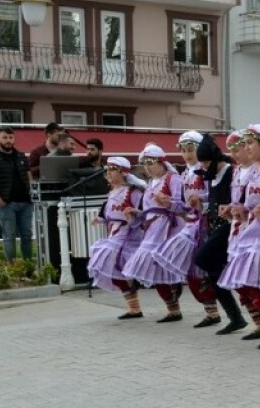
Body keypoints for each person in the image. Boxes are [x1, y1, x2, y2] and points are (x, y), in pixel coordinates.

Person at [218, 125, 260, 349]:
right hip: (250, 231)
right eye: (244, 143)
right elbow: (248, 202)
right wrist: (238, 209)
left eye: (249, 143)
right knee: (246, 281)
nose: (246, 148)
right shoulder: (253, 170)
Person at [155, 131, 223, 328]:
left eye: (190, 149)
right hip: (191, 225)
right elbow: (184, 207)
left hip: (204, 225)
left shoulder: (205, 171)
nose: (187, 154)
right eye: (183, 151)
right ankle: (210, 311)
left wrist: (201, 201)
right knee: (192, 272)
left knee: (201, 270)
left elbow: (215, 197)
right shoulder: (185, 174)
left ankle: (215, 312)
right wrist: (169, 203)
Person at [121, 144, 187, 323]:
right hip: (152, 228)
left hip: (168, 227)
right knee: (154, 269)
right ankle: (173, 309)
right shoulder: (150, 184)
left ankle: (177, 294)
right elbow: (148, 210)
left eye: (151, 162)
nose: (147, 167)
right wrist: (137, 213)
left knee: (162, 265)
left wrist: (168, 203)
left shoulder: (172, 179)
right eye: (145, 163)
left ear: (161, 162)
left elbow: (181, 205)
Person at [192, 133, 248, 335]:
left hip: (230, 225)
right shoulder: (211, 176)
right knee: (211, 270)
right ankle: (236, 317)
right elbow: (212, 200)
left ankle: (241, 309)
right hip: (215, 225)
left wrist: (232, 207)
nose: (204, 167)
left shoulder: (231, 172)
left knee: (203, 259)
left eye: (206, 162)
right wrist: (201, 202)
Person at [86, 157, 146, 319]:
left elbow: (144, 212)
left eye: (112, 170)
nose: (109, 174)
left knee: (115, 265)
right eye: (108, 170)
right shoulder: (112, 191)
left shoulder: (133, 192)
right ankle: (134, 308)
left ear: (122, 172)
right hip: (114, 235)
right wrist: (100, 218)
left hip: (127, 238)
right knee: (115, 274)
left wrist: (134, 215)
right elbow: (109, 212)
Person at [0, 127, 34, 263]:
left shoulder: (21, 156)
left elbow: (29, 177)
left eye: (10, 137)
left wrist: (32, 194)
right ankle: (11, 267)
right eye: (5, 137)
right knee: (9, 236)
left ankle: (28, 265)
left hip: (25, 202)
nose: (8, 140)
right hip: (6, 203)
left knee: (27, 235)